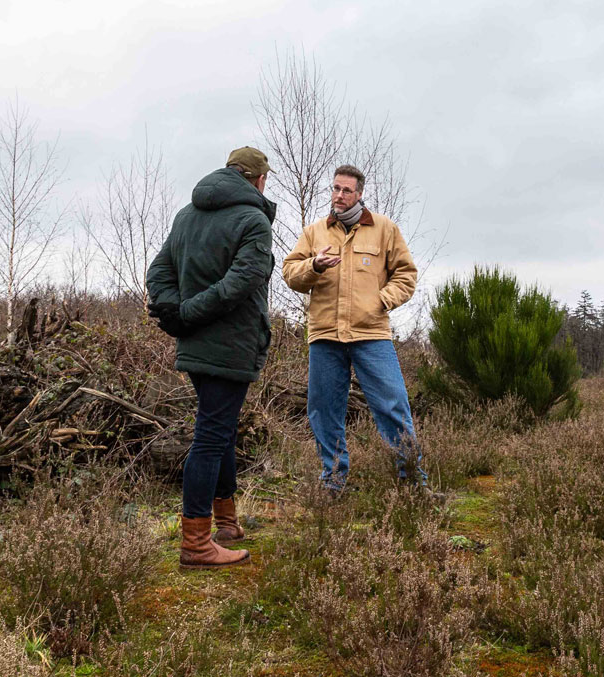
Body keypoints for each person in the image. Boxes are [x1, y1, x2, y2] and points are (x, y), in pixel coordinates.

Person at [146, 146, 276, 569]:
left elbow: (158, 272)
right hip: (230, 345)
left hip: (196, 344)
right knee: (211, 435)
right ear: (258, 180)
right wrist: (183, 313)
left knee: (218, 428)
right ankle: (197, 544)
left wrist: (175, 313)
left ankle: (225, 524)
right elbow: (242, 282)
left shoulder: (187, 216)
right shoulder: (253, 220)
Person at [281, 164, 424, 492]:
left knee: (393, 403)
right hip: (325, 335)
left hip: (371, 333)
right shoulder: (314, 232)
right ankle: (334, 482)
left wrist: (382, 300)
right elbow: (291, 273)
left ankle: (413, 481)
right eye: (335, 189)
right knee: (323, 410)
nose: (339, 195)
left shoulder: (385, 229)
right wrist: (313, 266)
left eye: (346, 190)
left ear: (359, 194)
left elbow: (406, 273)